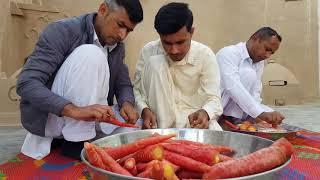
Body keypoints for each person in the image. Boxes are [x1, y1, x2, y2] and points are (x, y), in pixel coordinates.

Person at [16, 0, 143, 159]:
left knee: (137, 130)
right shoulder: (63, 31)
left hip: (92, 118)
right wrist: (74, 111)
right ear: (103, 10)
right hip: (54, 117)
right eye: (120, 25)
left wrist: (127, 103)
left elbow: (122, 81)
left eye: (128, 31)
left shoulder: (117, 45)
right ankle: (77, 141)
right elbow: (26, 83)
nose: (122, 35)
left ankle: (81, 137)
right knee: (91, 53)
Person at [133, 2, 222, 130]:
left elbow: (214, 99)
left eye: (180, 42)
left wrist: (205, 113)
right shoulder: (149, 51)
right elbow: (137, 91)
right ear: (159, 35)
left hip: (193, 120)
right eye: (167, 43)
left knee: (219, 141)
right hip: (157, 122)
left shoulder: (205, 55)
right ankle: (163, 137)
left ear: (191, 32)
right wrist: (144, 110)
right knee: (155, 63)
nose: (174, 50)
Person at [216, 27, 285, 125]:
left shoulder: (259, 62)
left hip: (243, 113)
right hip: (217, 109)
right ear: (255, 39)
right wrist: (259, 113)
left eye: (271, 53)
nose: (267, 56)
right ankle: (228, 119)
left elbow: (255, 93)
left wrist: (266, 112)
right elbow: (233, 87)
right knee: (248, 73)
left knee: (271, 115)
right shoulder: (228, 53)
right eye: (267, 49)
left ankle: (242, 119)